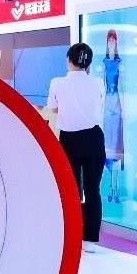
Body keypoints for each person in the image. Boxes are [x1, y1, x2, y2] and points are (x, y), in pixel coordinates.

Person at [48, 43, 106, 253]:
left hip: (69, 140)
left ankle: (71, 234)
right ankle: (90, 240)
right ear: (88, 63)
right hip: (94, 138)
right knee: (93, 190)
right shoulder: (98, 83)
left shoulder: (57, 83)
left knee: (71, 190)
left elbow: (53, 108)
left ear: (68, 60)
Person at [101, 30, 125, 202]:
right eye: (109, 41)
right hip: (106, 106)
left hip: (117, 105)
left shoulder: (119, 63)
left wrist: (123, 108)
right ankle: (110, 187)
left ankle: (114, 189)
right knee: (106, 147)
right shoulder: (103, 63)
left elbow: (122, 88)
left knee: (116, 146)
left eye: (113, 41)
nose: (111, 43)